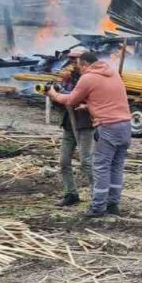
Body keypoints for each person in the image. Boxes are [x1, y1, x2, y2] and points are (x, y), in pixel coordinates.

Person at [47, 50, 132, 218]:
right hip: (125, 125)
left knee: (101, 167)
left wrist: (53, 94)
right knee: (116, 167)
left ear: (85, 64)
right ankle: (113, 204)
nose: (77, 68)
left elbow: (70, 100)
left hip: (108, 126)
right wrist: (89, 106)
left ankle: (98, 208)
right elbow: (107, 98)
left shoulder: (88, 77)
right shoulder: (112, 72)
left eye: (78, 65)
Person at [54, 47, 95, 207]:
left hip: (84, 124)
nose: (72, 63)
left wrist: (62, 94)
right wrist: (55, 93)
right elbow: (61, 101)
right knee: (64, 161)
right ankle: (71, 193)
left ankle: (97, 196)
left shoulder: (90, 78)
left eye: (75, 60)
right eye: (71, 59)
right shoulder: (67, 77)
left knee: (86, 161)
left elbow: (77, 98)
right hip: (68, 124)